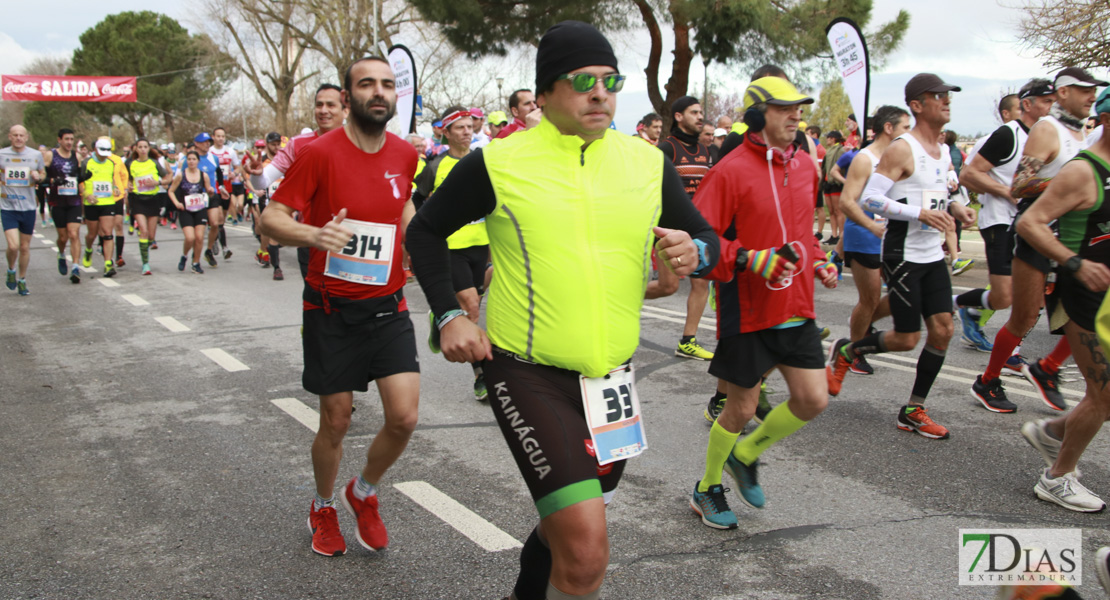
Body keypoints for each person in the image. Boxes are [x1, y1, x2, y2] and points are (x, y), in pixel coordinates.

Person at [406, 21, 717, 599]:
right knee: (586, 550)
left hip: (611, 379)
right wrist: (448, 314)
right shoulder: (500, 162)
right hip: (525, 369)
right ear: (545, 94)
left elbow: (705, 236)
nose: (600, 93)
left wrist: (694, 249)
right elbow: (424, 233)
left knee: (568, 526)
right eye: (581, 81)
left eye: (609, 80)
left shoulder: (646, 163)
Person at [261, 56, 420, 558]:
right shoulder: (320, 153)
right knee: (335, 420)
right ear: (349, 96)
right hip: (331, 308)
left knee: (404, 418)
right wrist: (315, 233)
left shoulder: (403, 154)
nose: (379, 92)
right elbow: (271, 218)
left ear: (397, 96)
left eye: (388, 84)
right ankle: (324, 504)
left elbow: (403, 204)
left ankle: (364, 490)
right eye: (367, 84)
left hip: (388, 305)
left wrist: (419, 241)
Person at [689, 76, 834, 529]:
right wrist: (753, 260)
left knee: (813, 399)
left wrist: (819, 258)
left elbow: (803, 232)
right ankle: (707, 487)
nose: (796, 115)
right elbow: (702, 245)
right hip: (748, 307)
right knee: (741, 408)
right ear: (757, 115)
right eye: (783, 108)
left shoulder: (807, 165)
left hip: (797, 304)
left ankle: (747, 454)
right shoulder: (729, 170)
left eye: (798, 108)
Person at [827, 73, 978, 440]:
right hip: (902, 251)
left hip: (931, 254)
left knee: (943, 329)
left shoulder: (942, 150)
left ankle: (913, 409)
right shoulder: (901, 148)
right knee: (907, 338)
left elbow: (936, 192)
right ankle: (848, 349)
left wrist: (956, 208)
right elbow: (870, 199)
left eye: (948, 95)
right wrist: (919, 215)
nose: (946, 100)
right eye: (937, 95)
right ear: (917, 104)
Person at [971, 67, 1106, 413]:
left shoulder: (1082, 135)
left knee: (1085, 316)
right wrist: (1065, 183)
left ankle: (1047, 369)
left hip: (1071, 233)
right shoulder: (1048, 130)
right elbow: (1019, 186)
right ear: (1063, 93)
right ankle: (987, 380)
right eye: (1083, 90)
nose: (1091, 96)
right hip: (1036, 231)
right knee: (1025, 316)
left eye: (1095, 91)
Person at [1015, 86, 1110, 512]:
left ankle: (1052, 433)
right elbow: (1030, 222)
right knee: (1104, 396)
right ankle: (1057, 478)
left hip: (1107, 297)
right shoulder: (1083, 171)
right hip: (1082, 296)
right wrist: (1075, 264)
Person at [960, 79, 1056, 409]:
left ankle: (1004, 347)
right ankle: (962, 302)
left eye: (1052, 100)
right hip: (1000, 220)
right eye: (1044, 101)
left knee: (1026, 299)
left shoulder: (1050, 137)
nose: (1050, 106)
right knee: (1006, 296)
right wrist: (1009, 191)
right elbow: (968, 175)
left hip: (1034, 226)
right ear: (1026, 105)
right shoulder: (1006, 135)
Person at [413, 105, 491, 400]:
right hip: (452, 247)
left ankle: (441, 313)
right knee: (471, 307)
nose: (467, 131)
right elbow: (418, 202)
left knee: (473, 310)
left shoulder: (482, 162)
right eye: (460, 127)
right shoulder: (435, 166)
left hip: (481, 246)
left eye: (470, 126)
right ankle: (481, 376)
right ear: (445, 132)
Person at [837, 106, 912, 376]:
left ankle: (862, 322)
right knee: (869, 299)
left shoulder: (902, 157)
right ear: (888, 128)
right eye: (905, 127)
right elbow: (847, 202)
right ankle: (853, 351)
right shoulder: (864, 158)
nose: (909, 133)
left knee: (903, 295)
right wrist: (871, 225)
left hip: (894, 239)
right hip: (865, 236)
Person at [251, 83, 347, 280]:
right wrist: (256, 174)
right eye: (319, 105)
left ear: (345, 110)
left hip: (351, 236)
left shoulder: (358, 142)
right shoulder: (299, 144)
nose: (324, 110)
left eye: (331, 105)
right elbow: (262, 182)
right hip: (311, 236)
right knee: (318, 303)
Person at [659, 96, 715, 362]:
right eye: (694, 112)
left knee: (702, 280)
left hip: (696, 227)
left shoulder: (705, 151)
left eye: (701, 112)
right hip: (668, 229)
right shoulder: (667, 148)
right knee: (667, 287)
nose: (700, 116)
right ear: (679, 116)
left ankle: (688, 340)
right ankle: (616, 299)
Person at [1, 125, 46, 295]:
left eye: (21, 135)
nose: (18, 138)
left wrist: (38, 177)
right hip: (8, 206)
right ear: (10, 137)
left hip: (28, 207)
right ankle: (11, 269)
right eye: (15, 135)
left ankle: (22, 279)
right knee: (13, 246)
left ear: (26, 137)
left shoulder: (35, 155)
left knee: (25, 247)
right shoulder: (2, 155)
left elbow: (43, 174)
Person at [80, 138, 128, 278]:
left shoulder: (111, 163)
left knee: (108, 233)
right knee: (92, 234)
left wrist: (116, 188)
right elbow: (79, 182)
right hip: (92, 203)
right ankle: (88, 249)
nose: (104, 155)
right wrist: (87, 195)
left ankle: (108, 263)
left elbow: (111, 179)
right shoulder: (86, 163)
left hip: (108, 202)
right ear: (95, 150)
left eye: (107, 152)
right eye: (101, 152)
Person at [42, 128, 84, 284]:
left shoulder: (76, 156)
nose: (69, 142)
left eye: (72, 139)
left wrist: (83, 178)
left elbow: (79, 177)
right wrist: (52, 181)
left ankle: (75, 267)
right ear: (59, 140)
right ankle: (61, 253)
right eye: (66, 139)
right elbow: (42, 175)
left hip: (74, 201)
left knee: (73, 234)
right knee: (63, 237)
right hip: (57, 201)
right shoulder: (51, 155)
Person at [126, 140, 171, 275]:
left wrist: (158, 182)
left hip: (153, 200)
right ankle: (145, 264)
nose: (143, 149)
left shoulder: (154, 163)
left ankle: (147, 241)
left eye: (145, 147)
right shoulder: (131, 163)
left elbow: (168, 177)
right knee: (144, 231)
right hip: (138, 200)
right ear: (136, 149)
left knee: (151, 236)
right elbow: (126, 179)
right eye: (140, 147)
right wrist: (128, 185)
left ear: (148, 148)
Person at [167, 150, 214, 274]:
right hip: (186, 210)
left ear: (198, 161)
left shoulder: (203, 175)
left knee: (199, 238)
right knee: (190, 238)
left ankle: (196, 263)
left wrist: (211, 191)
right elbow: (171, 191)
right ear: (186, 161)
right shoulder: (181, 175)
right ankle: (184, 255)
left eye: (194, 159)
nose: (191, 161)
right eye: (189, 159)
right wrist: (177, 203)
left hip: (200, 209)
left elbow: (208, 190)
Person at [207, 127, 240, 261]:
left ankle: (214, 239)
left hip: (227, 189)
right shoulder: (209, 152)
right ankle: (225, 247)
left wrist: (234, 173)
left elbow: (238, 167)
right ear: (213, 137)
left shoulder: (230, 151)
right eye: (218, 136)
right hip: (214, 190)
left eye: (223, 136)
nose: (220, 138)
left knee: (222, 221)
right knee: (219, 219)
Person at [818, 130, 849, 244]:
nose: (827, 140)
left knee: (838, 211)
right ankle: (834, 235)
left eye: (828, 137)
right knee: (831, 211)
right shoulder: (828, 151)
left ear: (833, 138)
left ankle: (841, 236)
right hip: (828, 183)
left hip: (836, 183)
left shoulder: (840, 149)